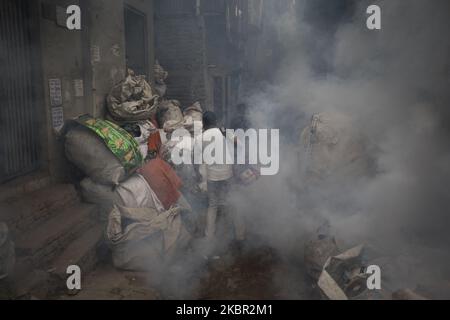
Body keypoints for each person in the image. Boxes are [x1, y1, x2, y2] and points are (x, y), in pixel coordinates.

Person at [194, 111, 245, 246]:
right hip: (227, 174)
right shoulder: (223, 132)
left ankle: (209, 237)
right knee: (232, 202)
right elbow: (239, 144)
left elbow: (198, 161)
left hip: (212, 177)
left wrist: (200, 179)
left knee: (213, 205)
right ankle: (240, 234)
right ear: (216, 122)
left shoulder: (199, 138)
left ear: (204, 124)